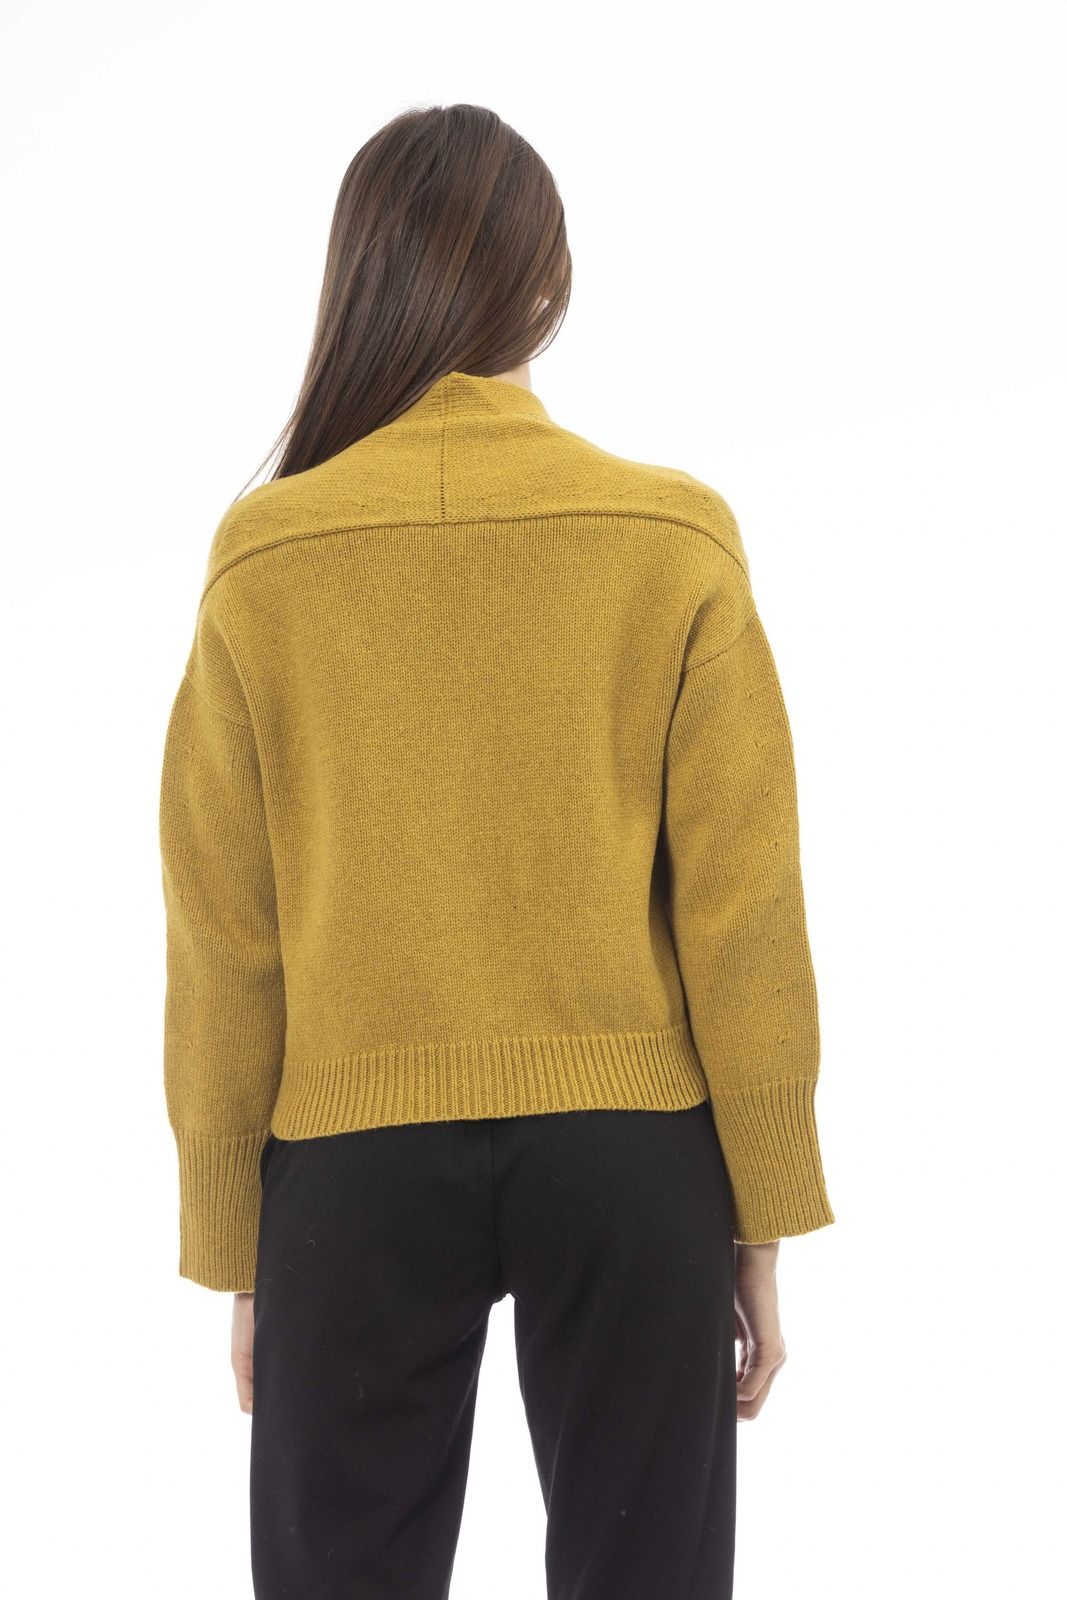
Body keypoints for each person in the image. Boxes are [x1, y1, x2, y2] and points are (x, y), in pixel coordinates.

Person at [158, 101, 835, 1600]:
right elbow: (742, 910)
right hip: (633, 1152)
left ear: (359, 281)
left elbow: (225, 931)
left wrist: (240, 1244)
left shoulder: (265, 558)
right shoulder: (673, 536)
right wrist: (761, 1213)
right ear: (551, 285)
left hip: (351, 1164)